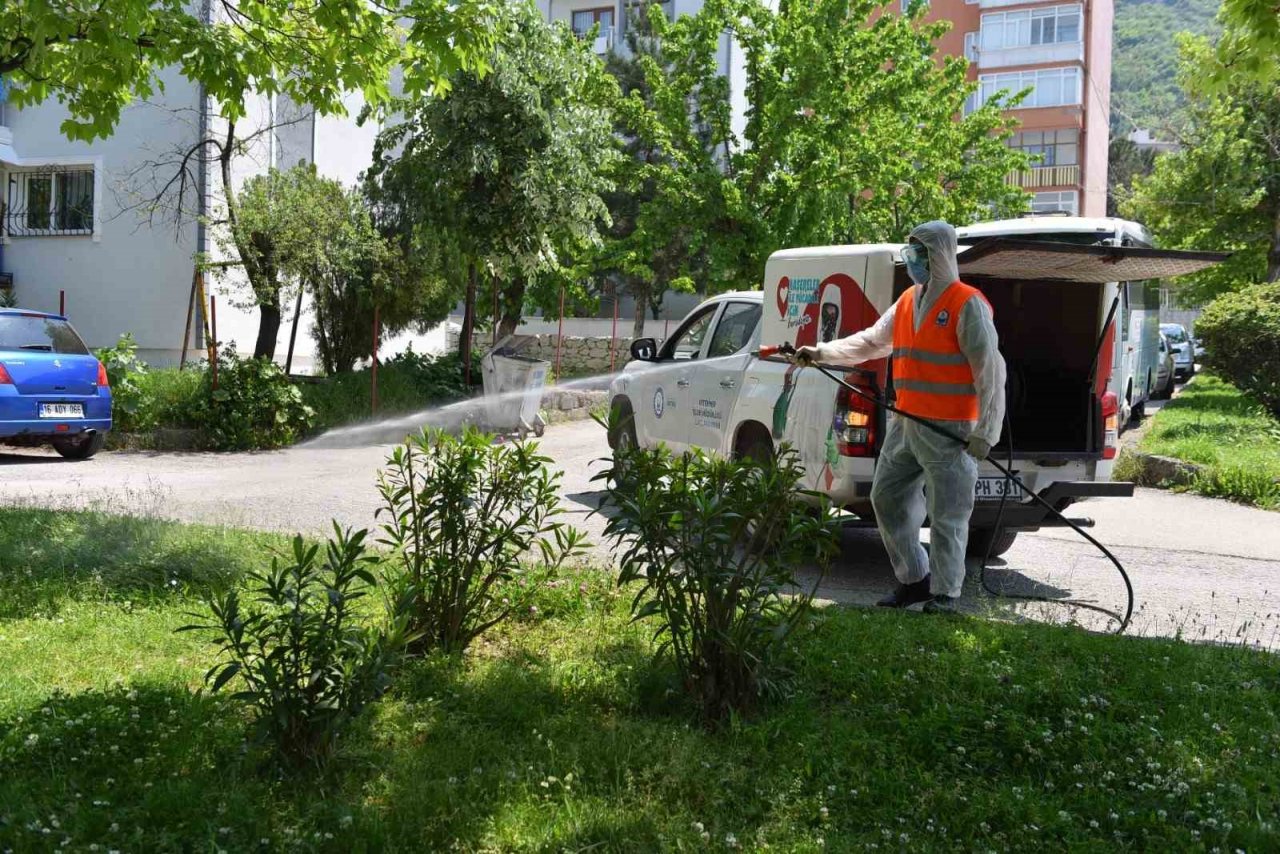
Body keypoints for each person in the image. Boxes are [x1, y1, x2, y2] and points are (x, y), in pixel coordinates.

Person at [794, 221, 1006, 613]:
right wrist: (821, 352)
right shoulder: (909, 299)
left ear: (940, 255)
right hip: (906, 423)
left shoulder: (966, 303)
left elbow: (991, 372)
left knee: (948, 514)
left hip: (950, 429)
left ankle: (945, 594)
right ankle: (914, 580)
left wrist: (987, 431)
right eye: (910, 253)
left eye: (920, 253)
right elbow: (872, 342)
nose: (913, 261)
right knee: (887, 498)